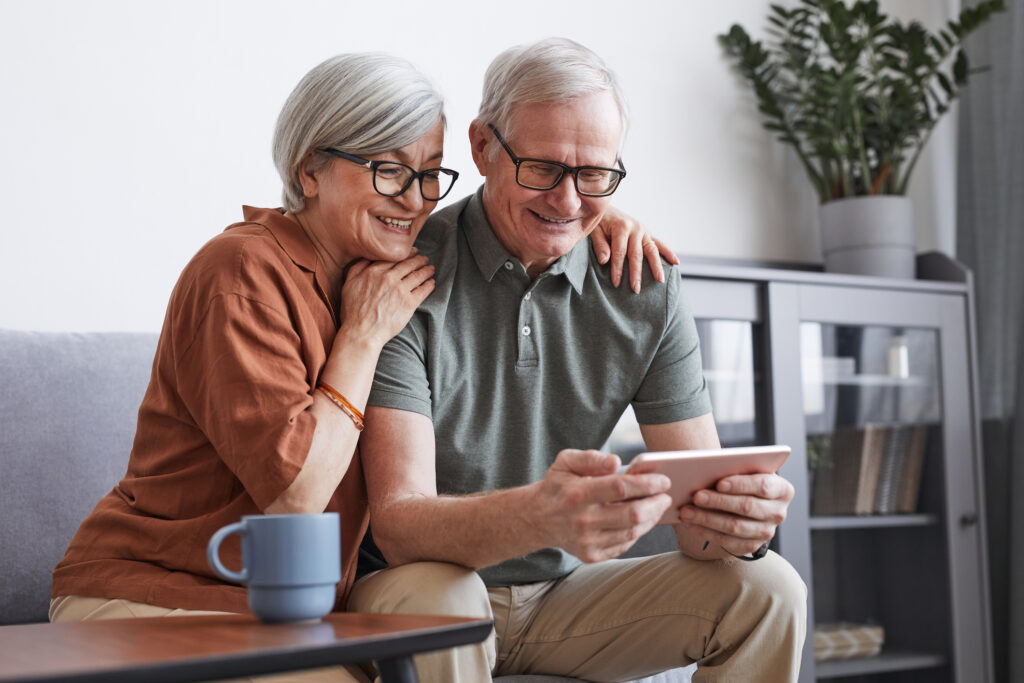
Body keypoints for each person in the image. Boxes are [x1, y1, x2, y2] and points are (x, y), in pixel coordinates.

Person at [49, 52, 668, 683]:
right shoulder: (241, 273)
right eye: (389, 171)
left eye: (429, 174)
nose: (415, 200)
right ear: (309, 170)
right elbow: (296, 500)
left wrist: (590, 215)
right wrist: (363, 339)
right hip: (152, 596)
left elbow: (513, 201)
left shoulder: (373, 272)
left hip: (283, 613)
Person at [352, 38, 808, 683]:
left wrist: (741, 522)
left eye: (594, 175)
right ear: (483, 148)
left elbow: (701, 534)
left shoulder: (644, 283)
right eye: (542, 168)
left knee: (770, 590)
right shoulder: (403, 273)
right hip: (417, 588)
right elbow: (399, 525)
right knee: (443, 600)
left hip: (563, 601)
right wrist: (540, 513)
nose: (568, 203)